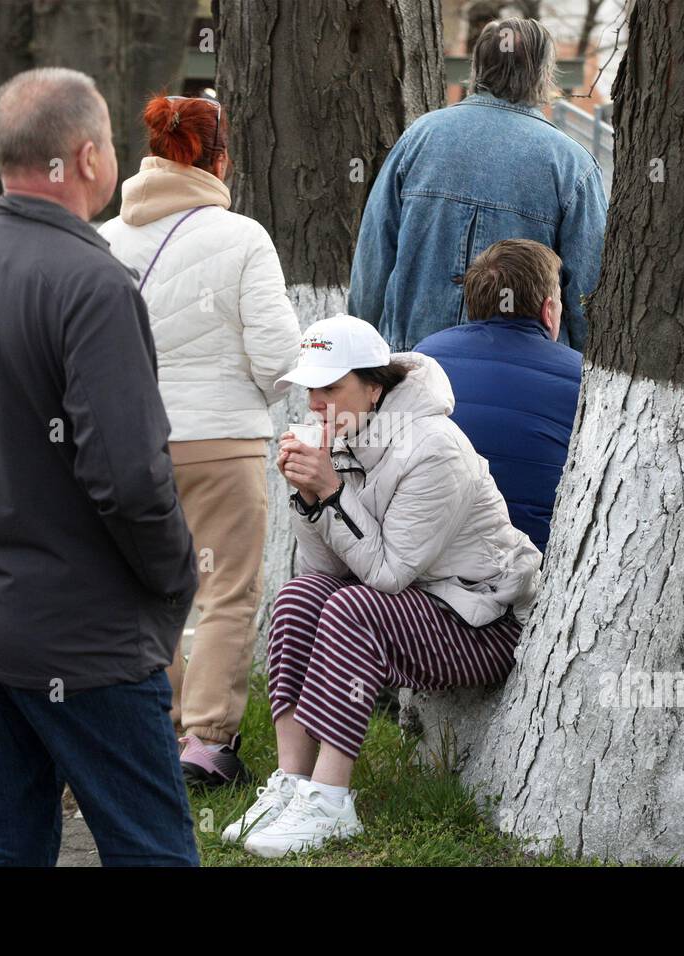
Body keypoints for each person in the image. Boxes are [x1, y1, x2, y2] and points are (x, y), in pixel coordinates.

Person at [0, 68, 200, 867]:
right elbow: (129, 478)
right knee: (152, 851)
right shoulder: (94, 283)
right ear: (89, 157)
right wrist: (173, 576)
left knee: (9, 849)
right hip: (84, 634)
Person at [220, 315, 542, 858]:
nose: (316, 403)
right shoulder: (346, 435)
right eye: (309, 389)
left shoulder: (434, 446)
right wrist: (308, 498)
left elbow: (388, 574)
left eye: (330, 387)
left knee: (354, 608)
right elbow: (325, 569)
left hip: (484, 623)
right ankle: (293, 785)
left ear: (374, 387)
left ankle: (330, 803)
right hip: (415, 608)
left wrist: (330, 492)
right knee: (298, 597)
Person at [99, 93, 299, 787]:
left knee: (141, 593)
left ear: (153, 153)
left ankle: (155, 728)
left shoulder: (102, 240)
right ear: (220, 161)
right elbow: (279, 359)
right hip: (222, 444)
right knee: (226, 592)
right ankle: (208, 743)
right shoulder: (243, 237)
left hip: (129, 445)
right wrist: (245, 399)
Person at [347, 16, 606, 352]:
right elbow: (588, 286)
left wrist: (364, 347)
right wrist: (576, 364)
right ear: (544, 74)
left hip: (412, 358)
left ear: (477, 67)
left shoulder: (420, 138)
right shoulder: (571, 164)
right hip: (517, 366)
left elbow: (374, 255)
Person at [415, 238, 580, 554]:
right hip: (533, 558)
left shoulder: (424, 357)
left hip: (433, 552)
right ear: (548, 310)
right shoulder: (582, 376)